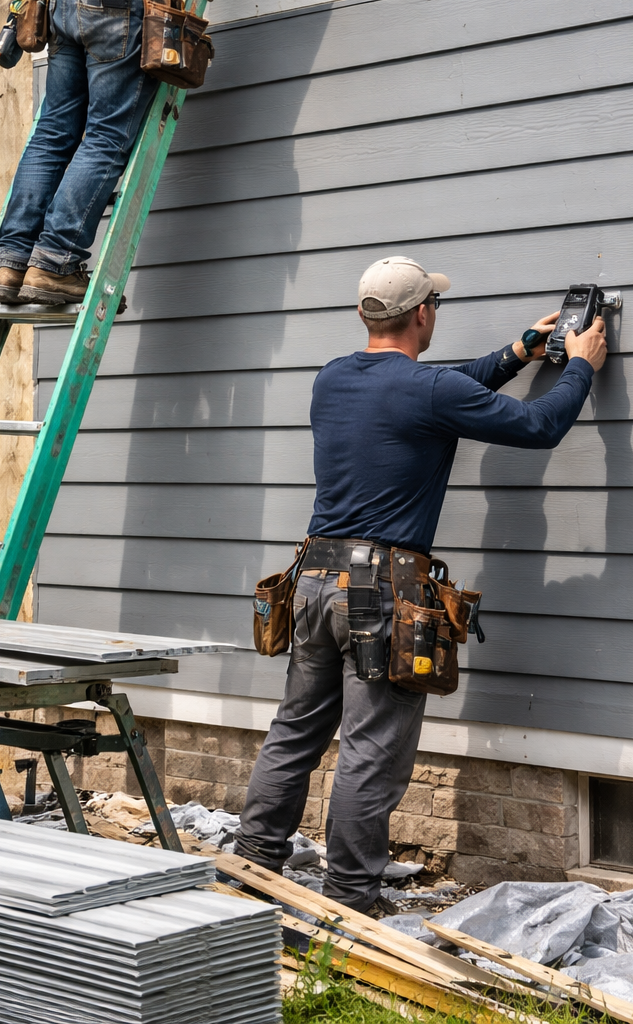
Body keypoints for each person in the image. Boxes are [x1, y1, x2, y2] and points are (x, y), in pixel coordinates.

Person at [233, 256, 607, 916]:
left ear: (364, 315)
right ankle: (350, 901)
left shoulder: (333, 379)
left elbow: (436, 387)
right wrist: (580, 364)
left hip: (313, 580)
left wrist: (516, 352)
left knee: (295, 730)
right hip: (378, 596)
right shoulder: (429, 392)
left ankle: (251, 863)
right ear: (423, 315)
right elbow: (538, 425)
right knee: (370, 750)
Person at [0, 0, 158, 306]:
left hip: (62, 9)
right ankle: (54, 263)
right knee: (106, 137)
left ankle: (13, 262)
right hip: (116, 11)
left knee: (52, 134)